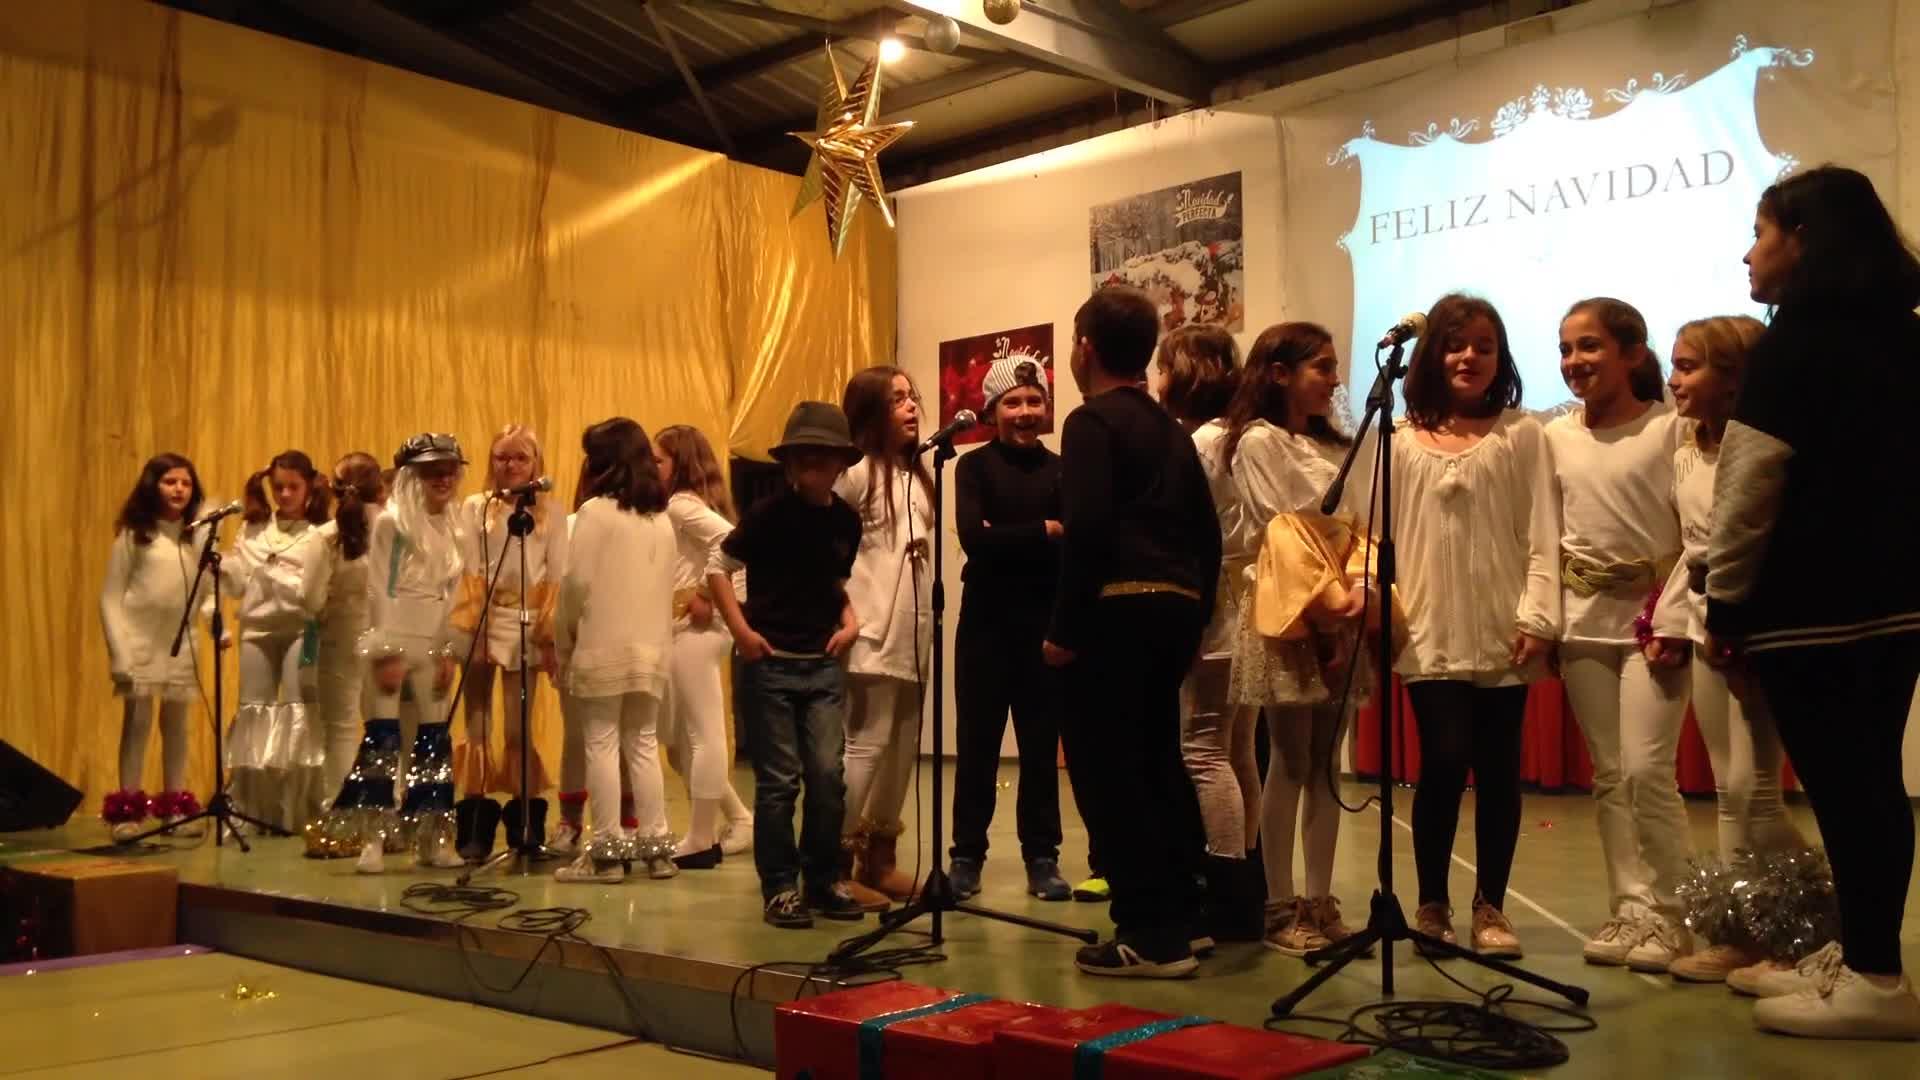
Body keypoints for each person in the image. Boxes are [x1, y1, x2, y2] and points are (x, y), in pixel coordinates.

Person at [1712, 165, 1920, 1038]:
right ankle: (1865, 955)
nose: (1748, 253)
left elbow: (1749, 486)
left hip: (1810, 608)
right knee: (1873, 785)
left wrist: (1724, 603)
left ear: (1801, 241)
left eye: (1760, 233)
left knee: (1847, 791)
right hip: (1898, 604)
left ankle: (1875, 978)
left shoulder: (1793, 345)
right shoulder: (1905, 334)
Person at [1045, 285, 1220, 978]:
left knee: (1110, 773)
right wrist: (1197, 614)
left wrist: (1064, 628)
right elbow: (1207, 536)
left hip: (1115, 612)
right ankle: (1185, 917)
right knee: (1158, 760)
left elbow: (1086, 530)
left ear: (1084, 348)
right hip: (1175, 611)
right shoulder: (1171, 430)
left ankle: (1148, 933)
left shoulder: (1091, 423)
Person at [1380, 295, 1555, 959]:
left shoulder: (1522, 434)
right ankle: (1431, 902)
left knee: (1500, 769)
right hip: (1427, 629)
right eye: (1456, 344)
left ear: (1500, 356)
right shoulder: (1398, 441)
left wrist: (1538, 616)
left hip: (1504, 627)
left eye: (1484, 345)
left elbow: (1542, 533)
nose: (1469, 357)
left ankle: (1491, 905)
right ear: (1433, 354)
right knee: (1445, 758)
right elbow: (1377, 536)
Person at [1649, 316, 1807, 982]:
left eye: (1689, 367)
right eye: (1675, 365)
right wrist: (1667, 621)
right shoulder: (1685, 450)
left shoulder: (1762, 448)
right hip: (1701, 624)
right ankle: (1742, 933)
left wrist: (1735, 623)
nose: (1674, 379)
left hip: (1750, 627)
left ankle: (1811, 920)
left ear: (1735, 375)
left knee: (1755, 790)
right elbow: (1689, 550)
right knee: (1727, 789)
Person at [1540, 298, 1694, 972]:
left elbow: (1694, 529)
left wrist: (1675, 618)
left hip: (1653, 625)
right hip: (1582, 625)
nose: (1574, 361)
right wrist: (1546, 620)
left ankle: (1672, 915)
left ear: (1632, 354)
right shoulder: (1555, 436)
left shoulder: (1670, 429)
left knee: (1646, 771)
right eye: (1566, 348)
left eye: (1590, 346)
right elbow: (1544, 534)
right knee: (1609, 775)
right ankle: (1629, 908)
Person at [1221, 322, 1367, 958]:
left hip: (1343, 602)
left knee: (1326, 762)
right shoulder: (1258, 441)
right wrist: (1326, 602)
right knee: (1289, 757)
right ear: (1279, 374)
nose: (1334, 379)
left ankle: (1320, 897)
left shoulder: (1334, 446)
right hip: (1291, 608)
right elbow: (1289, 527)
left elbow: (1355, 524)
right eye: (1323, 367)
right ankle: (1278, 902)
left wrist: (1357, 586)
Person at [709, 402, 868, 929]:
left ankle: (822, 880)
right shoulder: (768, 515)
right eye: (803, 456)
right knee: (779, 782)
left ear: (841, 462)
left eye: (823, 455)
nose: (812, 465)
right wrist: (741, 632)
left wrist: (850, 620)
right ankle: (780, 886)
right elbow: (718, 566)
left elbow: (832, 582)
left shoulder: (846, 521)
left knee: (827, 776)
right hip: (771, 663)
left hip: (822, 664)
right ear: (790, 463)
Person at [1154, 324, 1266, 941]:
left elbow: (1194, 536)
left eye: (1164, 367)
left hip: (1217, 603)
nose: (1158, 380)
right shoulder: (1248, 436)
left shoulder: (1198, 444)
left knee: (1202, 749)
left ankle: (1225, 889)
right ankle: (1246, 885)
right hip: (1253, 602)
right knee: (1238, 748)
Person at [314, 434, 468, 873]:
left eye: (449, 470)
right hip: (395, 637)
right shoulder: (392, 523)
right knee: (383, 739)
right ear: (411, 477)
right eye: (432, 471)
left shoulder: (456, 527)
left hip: (433, 641)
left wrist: (447, 649)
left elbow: (455, 593)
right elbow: (380, 586)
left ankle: (433, 839)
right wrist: (386, 649)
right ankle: (373, 840)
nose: (443, 479)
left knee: (433, 743)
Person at [949, 355, 1072, 902]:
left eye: (1033, 401)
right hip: (984, 628)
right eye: (1012, 402)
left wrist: (1010, 534)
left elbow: (1072, 540)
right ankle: (966, 856)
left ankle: (1042, 857)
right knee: (976, 747)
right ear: (992, 411)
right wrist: (1045, 529)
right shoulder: (972, 467)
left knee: (1040, 750)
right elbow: (974, 539)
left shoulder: (1062, 469)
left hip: (1043, 628)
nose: (1024, 412)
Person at [552, 419, 679, 884]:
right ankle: (657, 851)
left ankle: (606, 855)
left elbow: (574, 586)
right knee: (642, 745)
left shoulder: (594, 513)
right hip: (652, 650)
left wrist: (563, 640)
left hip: (601, 648)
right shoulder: (660, 519)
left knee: (601, 744)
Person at [835, 367, 936, 909]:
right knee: (866, 745)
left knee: (900, 748)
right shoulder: (856, 475)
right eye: (896, 399)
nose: (911, 406)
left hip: (911, 636)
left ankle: (878, 860)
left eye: (911, 397)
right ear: (872, 413)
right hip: (872, 632)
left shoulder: (916, 476)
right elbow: (828, 550)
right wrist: (844, 611)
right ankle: (833, 864)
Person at [450, 425, 562, 855]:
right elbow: (469, 570)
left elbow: (556, 577)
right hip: (482, 619)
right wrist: (474, 630)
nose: (511, 465)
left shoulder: (552, 514)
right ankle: (475, 822)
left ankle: (524, 821)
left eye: (520, 457)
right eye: (502, 457)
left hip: (526, 624)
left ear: (536, 464)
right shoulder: (476, 506)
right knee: (477, 723)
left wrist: (548, 638)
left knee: (518, 727)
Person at [99, 453, 216, 841]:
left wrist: (215, 623)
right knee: (138, 723)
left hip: (182, 644)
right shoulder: (135, 536)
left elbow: (204, 593)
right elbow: (110, 598)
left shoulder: (195, 539)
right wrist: (119, 652)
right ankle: (127, 811)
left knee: (177, 727)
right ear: (153, 486)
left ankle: (173, 810)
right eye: (170, 482)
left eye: (185, 482)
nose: (179, 489)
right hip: (140, 642)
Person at [654, 424, 755, 867]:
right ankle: (739, 818)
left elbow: (733, 542)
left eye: (658, 460)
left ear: (680, 464)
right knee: (680, 743)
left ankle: (700, 837)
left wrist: (707, 596)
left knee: (700, 732)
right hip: (683, 629)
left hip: (696, 630)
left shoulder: (680, 505)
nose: (651, 467)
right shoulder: (678, 506)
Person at [224, 450, 330, 834]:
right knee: (255, 711)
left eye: (293, 487)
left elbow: (319, 589)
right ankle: (252, 809)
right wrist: (223, 568)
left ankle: (297, 810)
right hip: (257, 629)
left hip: (301, 630)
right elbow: (238, 585)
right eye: (278, 487)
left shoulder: (320, 532)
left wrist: (282, 577)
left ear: (309, 487)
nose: (284, 495)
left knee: (297, 711)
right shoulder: (253, 530)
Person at [299, 452, 386, 851]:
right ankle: (382, 818)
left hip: (340, 641)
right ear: (380, 489)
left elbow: (310, 598)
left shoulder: (325, 537)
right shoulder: (393, 529)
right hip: (385, 639)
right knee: (382, 728)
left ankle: (340, 820)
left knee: (340, 730)